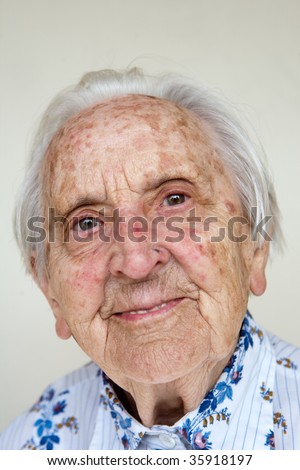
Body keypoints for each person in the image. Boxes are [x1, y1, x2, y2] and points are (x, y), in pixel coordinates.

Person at [1, 68, 299, 451]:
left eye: (175, 200)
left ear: (255, 245)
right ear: (50, 290)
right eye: (87, 223)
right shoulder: (26, 446)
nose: (137, 262)